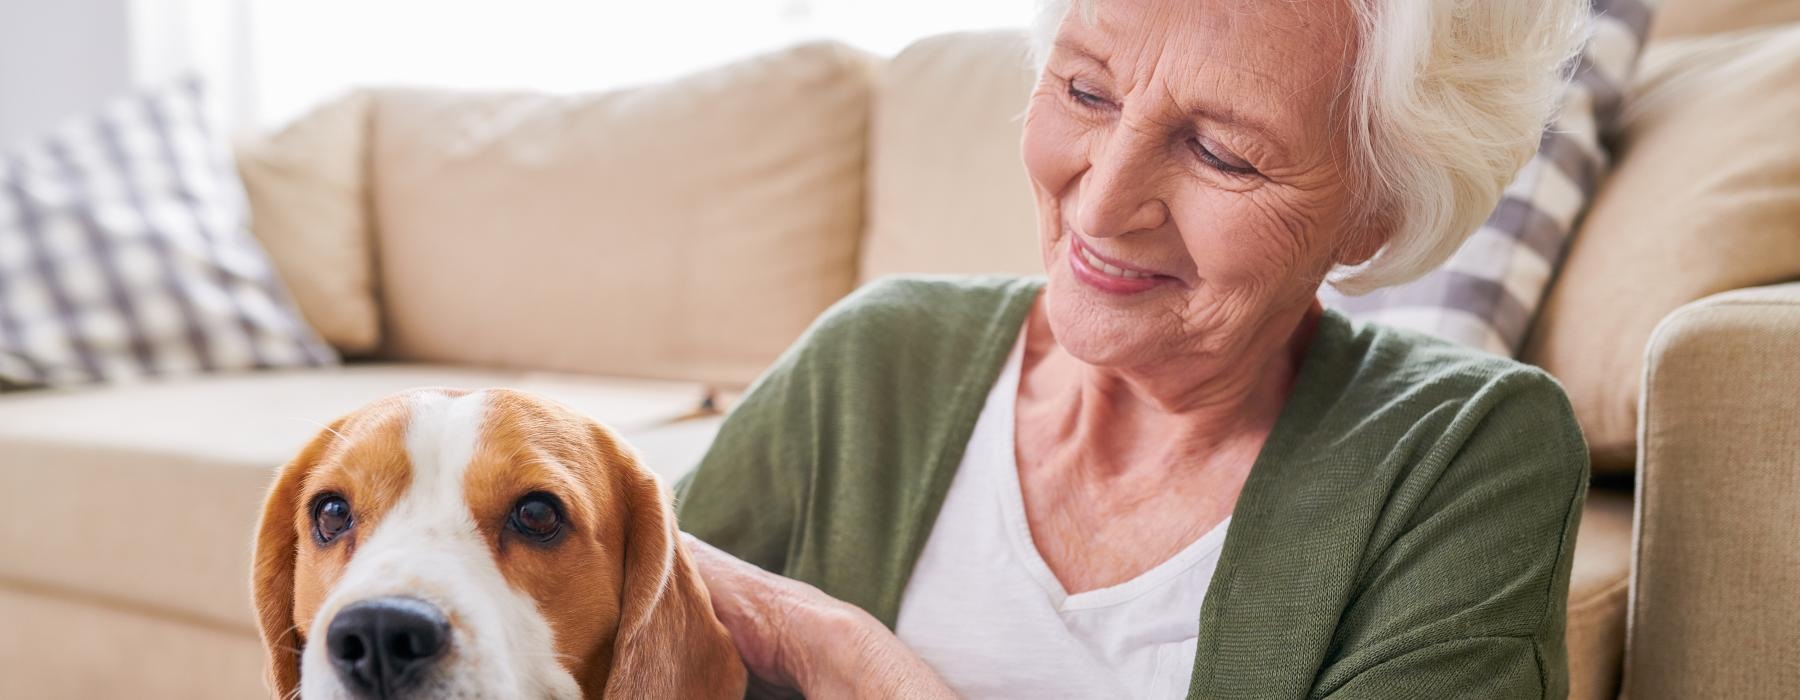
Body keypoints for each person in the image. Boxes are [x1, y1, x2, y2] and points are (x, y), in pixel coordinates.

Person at [677, 0, 1592, 696]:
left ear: (1377, 209)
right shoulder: (876, 357)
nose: (1105, 204)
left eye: (1222, 154)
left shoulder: (1464, 449)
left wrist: (841, 654)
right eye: (1086, 92)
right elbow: (600, 608)